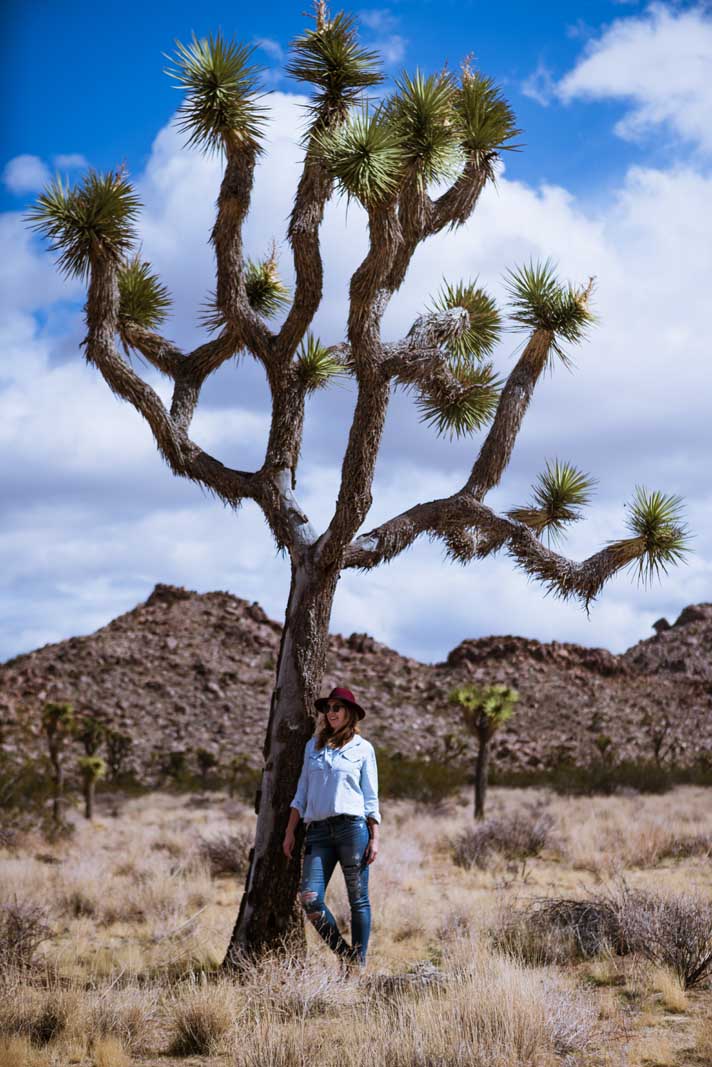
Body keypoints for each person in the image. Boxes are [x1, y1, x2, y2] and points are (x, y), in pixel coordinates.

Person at [282, 686, 380, 969]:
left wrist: (375, 837)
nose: (331, 713)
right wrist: (290, 831)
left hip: (353, 830)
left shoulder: (363, 749)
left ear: (349, 713)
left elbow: (371, 797)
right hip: (318, 832)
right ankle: (346, 956)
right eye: (328, 708)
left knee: (358, 899)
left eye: (337, 707)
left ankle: (358, 965)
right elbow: (301, 792)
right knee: (310, 899)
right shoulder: (312, 746)